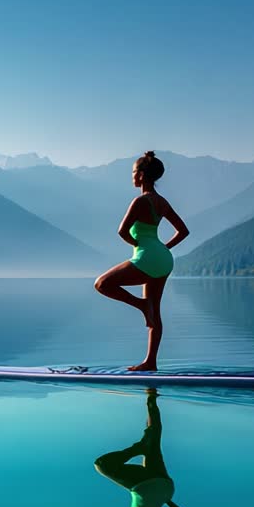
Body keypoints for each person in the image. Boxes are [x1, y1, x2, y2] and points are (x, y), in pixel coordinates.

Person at [93, 151, 189, 371]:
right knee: (156, 310)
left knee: (102, 284)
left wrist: (136, 244)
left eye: (134, 172)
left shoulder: (139, 201)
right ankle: (150, 361)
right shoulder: (162, 202)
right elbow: (183, 231)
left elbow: (122, 231)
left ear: (143, 175)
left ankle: (141, 305)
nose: (132, 176)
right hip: (164, 259)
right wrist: (163, 249)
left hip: (146, 256)